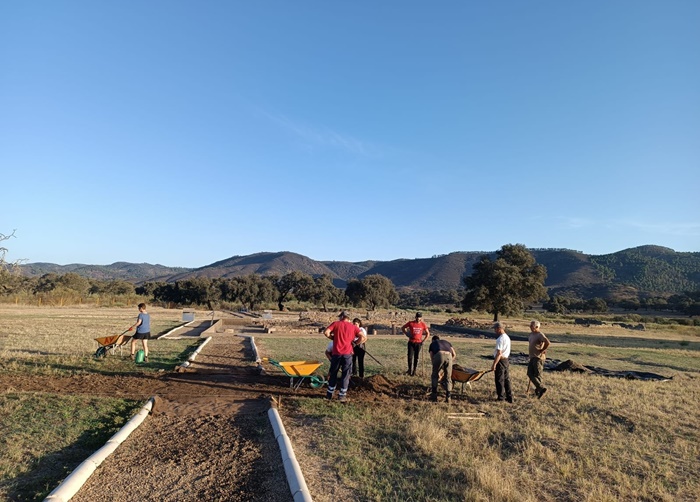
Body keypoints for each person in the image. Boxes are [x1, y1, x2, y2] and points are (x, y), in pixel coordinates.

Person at [324, 310, 364, 402]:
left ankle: (330, 393)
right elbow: (363, 337)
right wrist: (355, 343)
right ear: (349, 318)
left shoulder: (336, 324)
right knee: (346, 374)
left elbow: (326, 332)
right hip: (347, 354)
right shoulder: (353, 327)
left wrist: (333, 338)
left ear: (341, 317)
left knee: (333, 372)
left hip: (336, 353)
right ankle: (342, 395)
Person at [428, 335, 456, 403]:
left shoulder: (432, 344)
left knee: (434, 376)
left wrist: (436, 370)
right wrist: (447, 364)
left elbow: (432, 358)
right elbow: (454, 354)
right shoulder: (447, 342)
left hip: (439, 354)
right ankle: (448, 397)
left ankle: (434, 396)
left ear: (433, 340)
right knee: (448, 377)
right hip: (449, 355)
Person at [528, 320, 551, 399]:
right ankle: (540, 389)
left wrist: (543, 349)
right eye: (530, 326)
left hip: (538, 357)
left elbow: (547, 342)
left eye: (532, 326)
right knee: (530, 373)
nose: (530, 327)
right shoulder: (531, 334)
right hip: (532, 357)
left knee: (537, 375)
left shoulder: (540, 335)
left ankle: (539, 390)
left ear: (537, 327)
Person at [491, 322, 513, 403]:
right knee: (506, 379)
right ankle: (509, 397)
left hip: (501, 360)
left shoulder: (500, 339)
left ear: (499, 329)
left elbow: (499, 353)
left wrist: (494, 364)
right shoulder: (507, 337)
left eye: (495, 329)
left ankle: (501, 397)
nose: (495, 330)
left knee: (499, 379)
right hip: (506, 360)